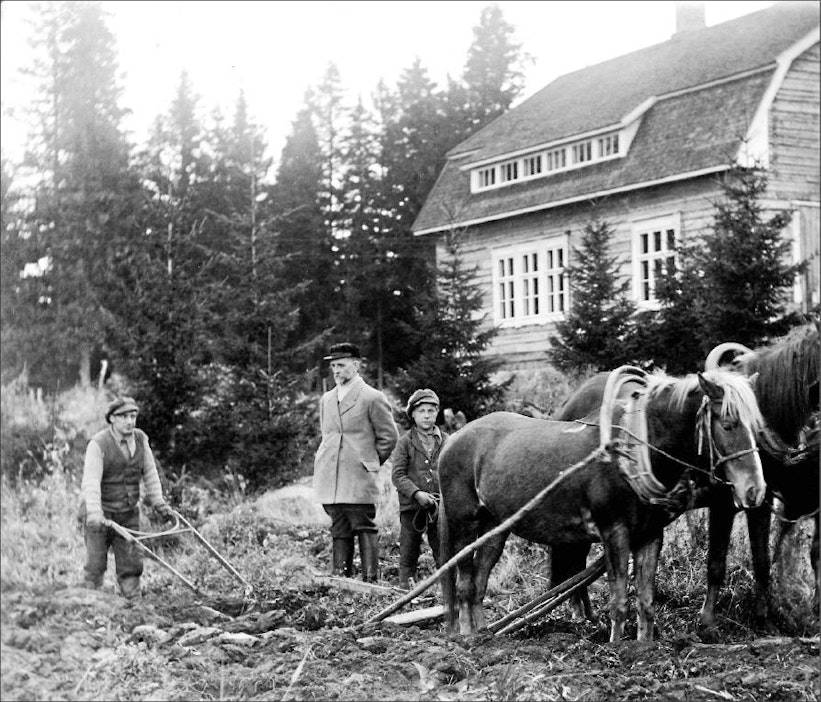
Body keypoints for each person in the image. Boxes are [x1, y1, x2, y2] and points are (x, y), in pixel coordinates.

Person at [313, 342, 399, 582]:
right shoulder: (327, 400)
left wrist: (369, 463)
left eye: (341, 365)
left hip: (358, 475)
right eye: (333, 366)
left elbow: (389, 437)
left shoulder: (372, 397)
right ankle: (341, 580)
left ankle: (371, 580)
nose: (336, 371)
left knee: (363, 524)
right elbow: (327, 435)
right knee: (339, 527)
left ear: (356, 365)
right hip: (331, 475)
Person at [80, 396, 174, 599]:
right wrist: (95, 512)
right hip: (101, 512)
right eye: (124, 417)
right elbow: (91, 481)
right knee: (96, 563)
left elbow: (149, 472)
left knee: (131, 561)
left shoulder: (141, 439)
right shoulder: (99, 444)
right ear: (112, 418)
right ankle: (90, 601)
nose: (130, 421)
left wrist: (158, 501)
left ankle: (133, 600)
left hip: (128, 511)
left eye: (133, 416)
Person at [390, 388, 449, 589]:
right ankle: (405, 590)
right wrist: (416, 493)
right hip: (411, 509)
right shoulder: (404, 442)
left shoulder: (447, 441)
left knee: (443, 549)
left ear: (437, 413)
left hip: (439, 508)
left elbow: (454, 474)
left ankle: (447, 589)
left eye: (431, 411)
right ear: (413, 414)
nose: (426, 415)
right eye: (421, 411)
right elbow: (397, 475)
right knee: (408, 551)